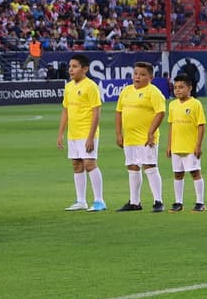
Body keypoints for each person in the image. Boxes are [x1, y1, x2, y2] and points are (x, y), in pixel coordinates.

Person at [114, 61, 166, 212]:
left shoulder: (153, 92)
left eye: (142, 74)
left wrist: (151, 133)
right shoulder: (126, 91)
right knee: (132, 166)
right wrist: (118, 133)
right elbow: (119, 112)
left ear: (150, 77)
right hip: (129, 137)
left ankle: (158, 201)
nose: (137, 77)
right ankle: (134, 202)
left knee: (150, 166)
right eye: (136, 73)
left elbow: (160, 113)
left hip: (145, 138)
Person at [57, 53, 106, 211]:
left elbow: (97, 112)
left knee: (90, 164)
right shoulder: (69, 86)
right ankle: (81, 201)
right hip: (73, 133)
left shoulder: (90, 86)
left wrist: (91, 137)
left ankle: (99, 201)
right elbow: (65, 110)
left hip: (87, 132)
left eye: (75, 66)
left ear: (84, 69)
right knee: (77, 165)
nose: (70, 70)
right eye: (70, 66)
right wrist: (61, 133)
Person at [166, 73, 206, 212]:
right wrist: (169, 145)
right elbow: (171, 125)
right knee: (178, 174)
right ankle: (178, 202)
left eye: (181, 87)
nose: (178, 90)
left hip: (190, 146)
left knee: (195, 172)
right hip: (176, 146)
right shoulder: (172, 105)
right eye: (175, 87)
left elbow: (201, 125)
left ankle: (200, 202)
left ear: (189, 88)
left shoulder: (196, 104)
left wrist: (198, 145)